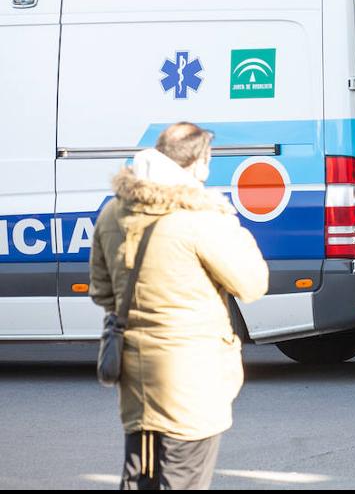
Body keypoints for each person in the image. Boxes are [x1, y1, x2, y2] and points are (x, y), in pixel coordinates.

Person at [90, 122, 269, 489]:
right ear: (198, 163)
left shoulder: (113, 213)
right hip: (191, 380)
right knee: (183, 479)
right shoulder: (200, 219)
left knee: (140, 479)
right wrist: (231, 223)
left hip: (137, 380)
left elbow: (103, 293)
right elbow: (252, 284)